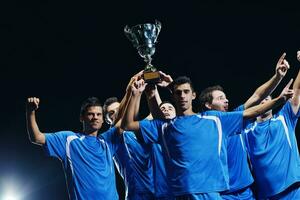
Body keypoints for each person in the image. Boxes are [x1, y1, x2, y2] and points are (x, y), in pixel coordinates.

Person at [121, 74, 294, 199]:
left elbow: (252, 110)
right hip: (180, 194)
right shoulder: (165, 127)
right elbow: (127, 125)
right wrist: (135, 93)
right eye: (178, 92)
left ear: (193, 95)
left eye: (186, 92)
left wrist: (280, 99)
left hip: (213, 192)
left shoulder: (215, 120)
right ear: (172, 95)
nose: (182, 96)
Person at [198, 53, 290, 199]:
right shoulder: (200, 128)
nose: (226, 100)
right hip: (222, 195)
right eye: (220, 98)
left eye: (226, 97)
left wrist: (278, 77)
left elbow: (257, 96)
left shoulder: (234, 118)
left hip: (246, 193)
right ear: (208, 105)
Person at [26, 97, 121, 200]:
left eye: (98, 114)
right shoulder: (69, 140)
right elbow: (36, 137)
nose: (95, 117)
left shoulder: (107, 141)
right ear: (82, 117)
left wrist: (133, 92)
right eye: (90, 114)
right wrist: (30, 112)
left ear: (103, 119)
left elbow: (123, 117)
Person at [242, 51, 300, 199]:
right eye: (261, 101)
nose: (264, 102)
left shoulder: (284, 118)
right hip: (266, 196)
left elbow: (297, 93)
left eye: (268, 99)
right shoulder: (246, 131)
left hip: (293, 190)